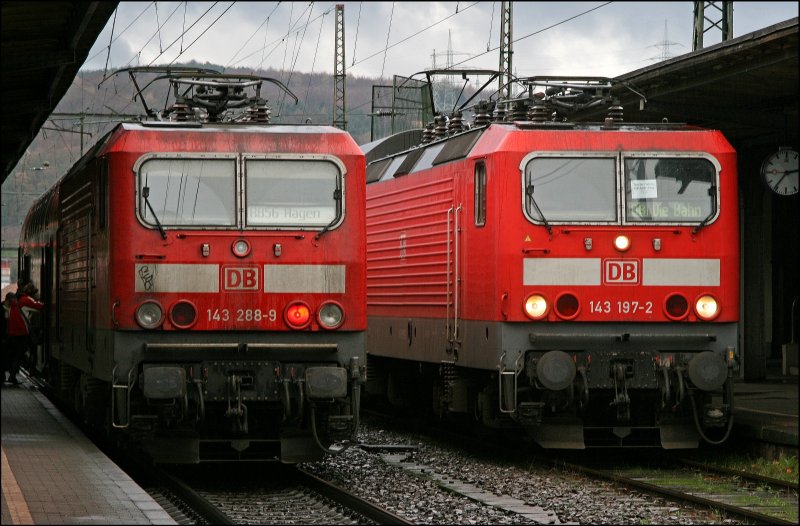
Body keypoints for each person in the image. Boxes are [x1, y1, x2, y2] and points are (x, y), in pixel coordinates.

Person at [5, 281, 44, 385]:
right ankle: (13, 376)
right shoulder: (25, 300)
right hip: (20, 332)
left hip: (13, 332)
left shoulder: (17, 300)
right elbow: (40, 307)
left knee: (17, 354)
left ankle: (13, 375)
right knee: (20, 354)